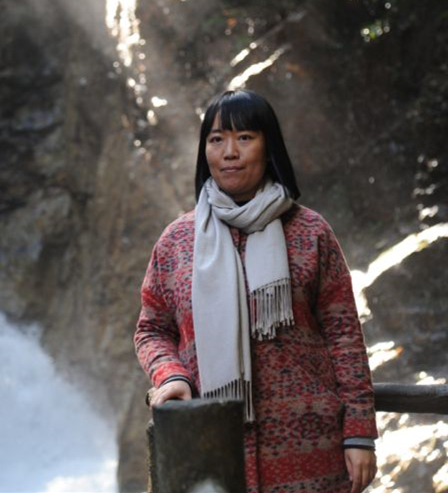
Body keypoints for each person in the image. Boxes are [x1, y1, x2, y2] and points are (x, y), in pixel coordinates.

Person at [134, 90, 378, 493]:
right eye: (216, 139)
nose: (229, 152)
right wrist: (170, 375)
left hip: (312, 453)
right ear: (204, 151)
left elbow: (345, 337)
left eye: (244, 137)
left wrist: (359, 434)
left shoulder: (310, 232)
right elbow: (152, 329)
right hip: (212, 450)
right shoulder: (176, 242)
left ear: (269, 146)